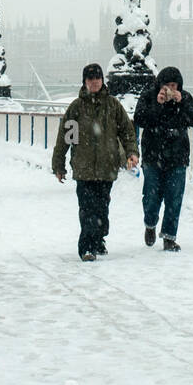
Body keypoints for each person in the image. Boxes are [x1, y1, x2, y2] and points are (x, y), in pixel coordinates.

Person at [52, 63, 139, 262]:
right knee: (87, 208)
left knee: (102, 208)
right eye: (90, 79)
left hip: (107, 168)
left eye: (97, 79)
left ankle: (99, 238)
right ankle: (86, 247)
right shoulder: (76, 108)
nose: (94, 82)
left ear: (102, 81)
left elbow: (127, 132)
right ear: (85, 82)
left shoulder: (113, 106)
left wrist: (131, 152)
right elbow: (65, 138)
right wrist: (59, 165)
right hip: (83, 168)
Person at [133, 66, 193, 252]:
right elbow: (139, 119)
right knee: (151, 196)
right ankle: (150, 223)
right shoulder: (149, 96)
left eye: (175, 85)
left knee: (174, 199)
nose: (171, 89)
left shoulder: (185, 98)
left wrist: (182, 103)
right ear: (160, 85)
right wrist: (158, 104)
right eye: (168, 85)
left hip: (177, 157)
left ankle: (169, 237)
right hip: (153, 156)